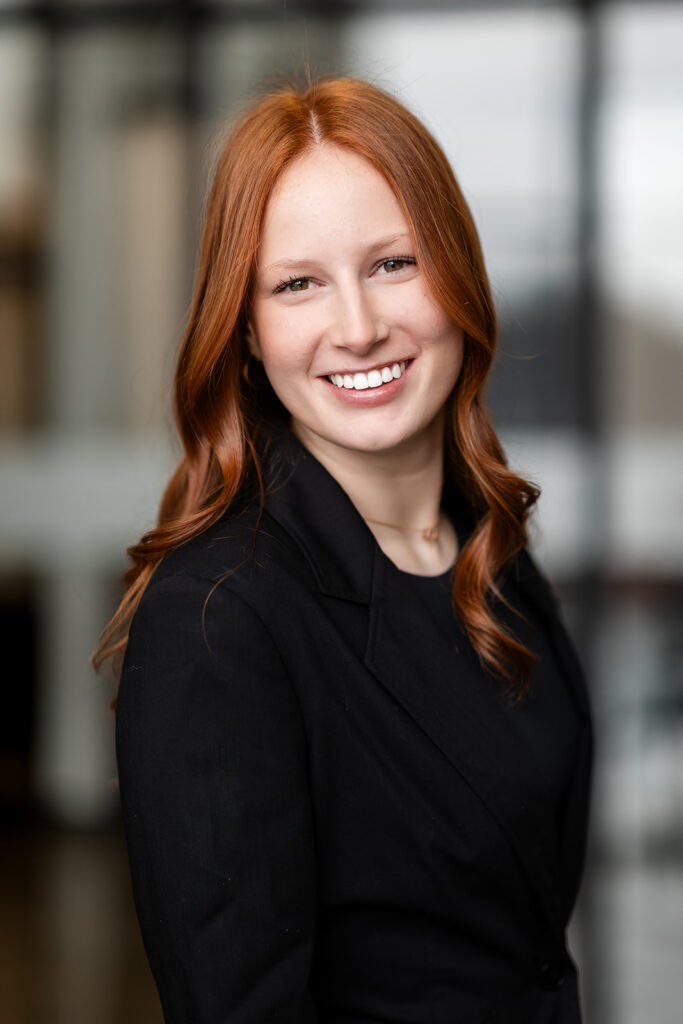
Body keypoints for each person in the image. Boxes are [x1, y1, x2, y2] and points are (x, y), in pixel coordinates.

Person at [96, 77, 593, 1024]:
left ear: (458, 272)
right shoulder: (217, 617)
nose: (359, 327)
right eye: (297, 283)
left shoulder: (489, 549)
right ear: (245, 327)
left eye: (394, 263)